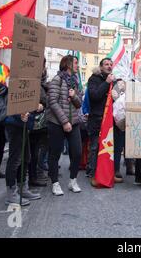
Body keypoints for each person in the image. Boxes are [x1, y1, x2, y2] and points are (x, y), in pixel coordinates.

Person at [46, 55, 83, 195]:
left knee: (77, 152)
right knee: (55, 153)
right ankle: (55, 183)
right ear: (67, 64)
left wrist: (74, 96)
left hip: (74, 123)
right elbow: (53, 102)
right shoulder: (57, 79)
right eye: (75, 63)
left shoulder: (75, 81)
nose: (77, 65)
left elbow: (78, 104)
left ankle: (73, 180)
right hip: (56, 123)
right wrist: (64, 121)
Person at [87, 58, 115, 188]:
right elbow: (95, 96)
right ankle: (93, 174)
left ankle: (108, 173)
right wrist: (106, 83)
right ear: (101, 67)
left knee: (108, 148)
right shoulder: (94, 79)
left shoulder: (114, 81)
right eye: (106, 64)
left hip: (109, 120)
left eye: (111, 64)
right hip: (97, 119)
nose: (109, 66)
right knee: (95, 147)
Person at [5, 111, 40, 206]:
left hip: (22, 122)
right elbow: (13, 103)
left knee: (25, 157)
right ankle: (11, 193)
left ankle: (22, 188)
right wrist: (19, 114)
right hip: (15, 122)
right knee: (15, 159)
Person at [28, 61, 49, 187]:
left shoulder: (42, 83)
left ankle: (33, 177)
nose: (42, 68)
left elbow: (45, 101)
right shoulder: (30, 81)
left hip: (38, 124)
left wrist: (44, 104)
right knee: (28, 154)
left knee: (35, 152)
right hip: (26, 122)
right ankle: (24, 181)